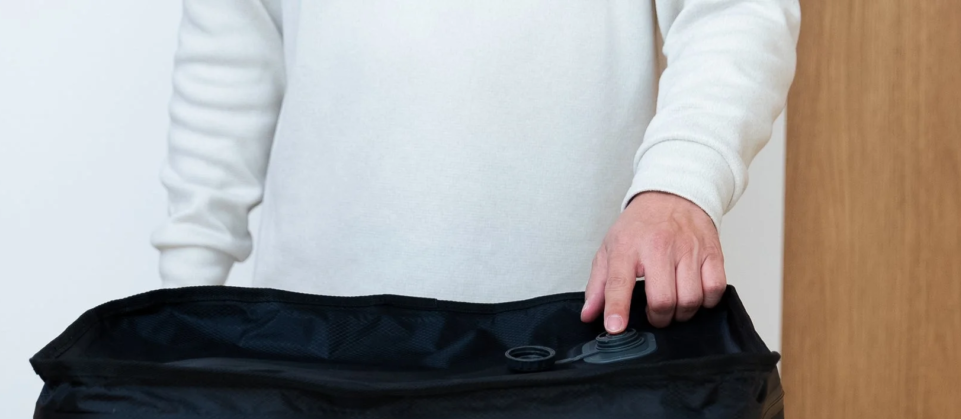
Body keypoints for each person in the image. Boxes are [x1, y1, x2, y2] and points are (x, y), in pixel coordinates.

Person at [151, 1, 799, 333]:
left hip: (570, 349)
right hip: (314, 354)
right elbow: (228, 56)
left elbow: (735, 12)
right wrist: (176, 307)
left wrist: (679, 186)